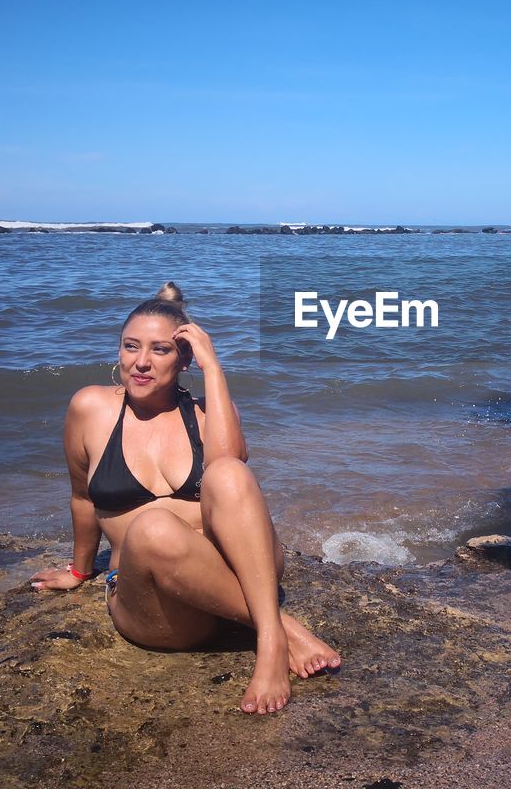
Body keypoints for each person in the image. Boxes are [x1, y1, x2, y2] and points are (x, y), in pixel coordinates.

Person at [31, 282, 340, 714]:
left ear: (184, 359)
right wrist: (80, 571)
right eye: (130, 346)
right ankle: (277, 627)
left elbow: (233, 465)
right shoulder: (91, 408)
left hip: (237, 575)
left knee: (228, 471)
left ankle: (267, 644)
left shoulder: (205, 409)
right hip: (161, 606)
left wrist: (214, 369)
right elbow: (83, 498)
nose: (140, 362)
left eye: (160, 350)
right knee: (154, 528)